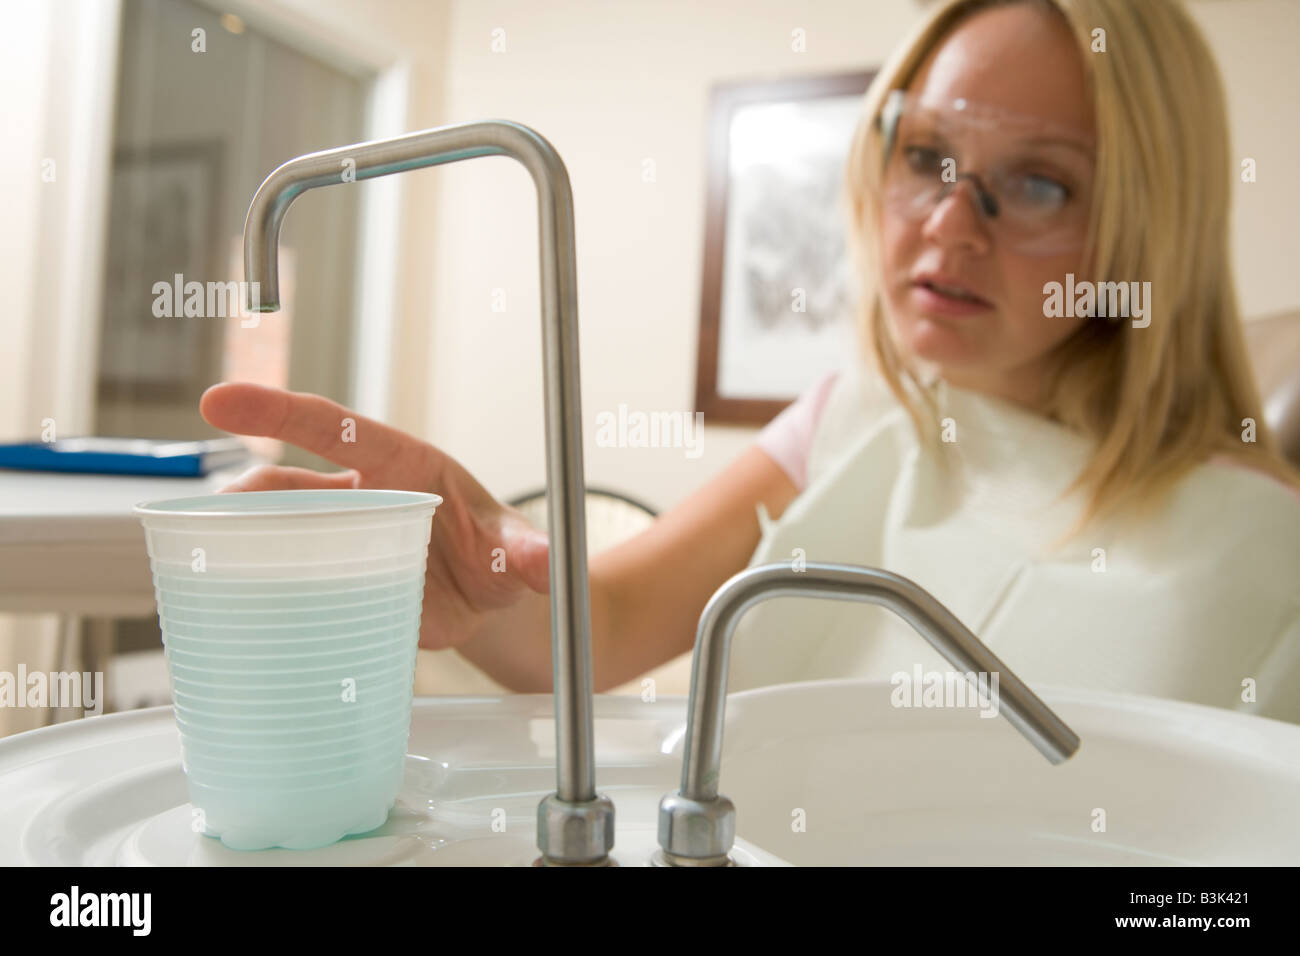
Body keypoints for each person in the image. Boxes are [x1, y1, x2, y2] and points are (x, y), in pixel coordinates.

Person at [200, 0, 1300, 721]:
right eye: (928, 156)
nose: (949, 228)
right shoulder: (850, 419)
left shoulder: (1260, 541)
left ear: (1149, 225)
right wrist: (482, 566)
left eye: (1039, 182)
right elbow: (602, 624)